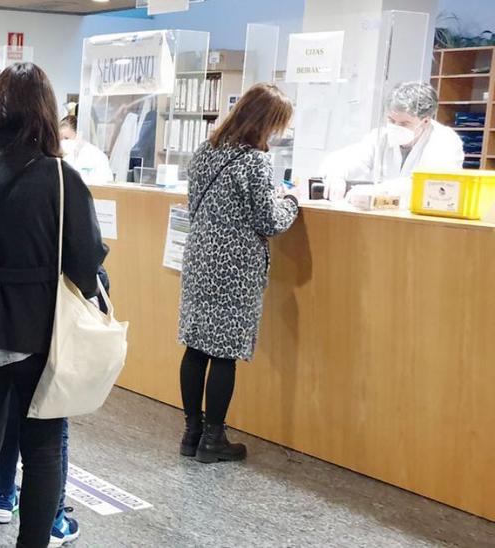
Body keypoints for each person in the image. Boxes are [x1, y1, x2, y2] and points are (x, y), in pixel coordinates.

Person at [0, 62, 108, 548]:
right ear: (47, 111)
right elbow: (85, 263)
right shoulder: (60, 176)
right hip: (39, 332)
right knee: (44, 447)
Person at [178, 83, 299, 464]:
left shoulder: (205, 151)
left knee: (196, 346)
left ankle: (191, 433)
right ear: (266, 122)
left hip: (199, 258)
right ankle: (214, 439)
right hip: (235, 266)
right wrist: (292, 203)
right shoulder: (255, 161)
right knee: (224, 353)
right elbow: (268, 220)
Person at [325, 81, 464, 202]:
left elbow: (429, 184)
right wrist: (336, 175)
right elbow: (351, 157)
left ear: (425, 121)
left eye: (404, 123)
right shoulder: (381, 137)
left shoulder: (445, 141)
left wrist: (377, 191)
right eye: (391, 120)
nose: (395, 127)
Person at [59, 105, 113, 185]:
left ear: (79, 135)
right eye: (60, 139)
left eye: (66, 138)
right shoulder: (59, 158)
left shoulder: (97, 156)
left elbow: (106, 184)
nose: (63, 143)